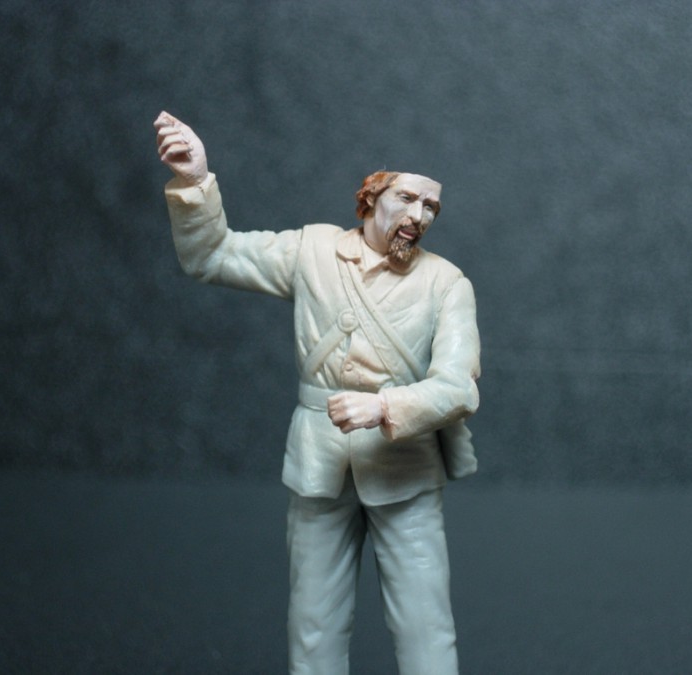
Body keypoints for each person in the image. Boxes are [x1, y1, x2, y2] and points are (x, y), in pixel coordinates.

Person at [155, 111, 480, 675]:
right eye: (407, 199)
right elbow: (212, 255)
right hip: (319, 465)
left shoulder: (446, 283)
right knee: (314, 622)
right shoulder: (312, 250)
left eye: (431, 206)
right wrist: (195, 181)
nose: (419, 216)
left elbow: (458, 388)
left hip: (405, 469)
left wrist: (385, 406)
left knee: (424, 622)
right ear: (371, 198)